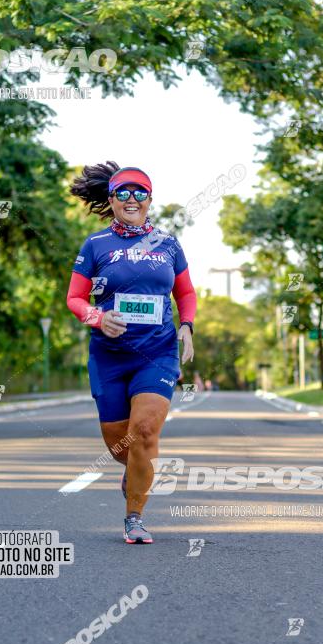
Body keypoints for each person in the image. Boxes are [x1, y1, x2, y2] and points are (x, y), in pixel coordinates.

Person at [67, 162, 197, 544]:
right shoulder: (95, 245)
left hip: (156, 351)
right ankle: (135, 468)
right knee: (118, 444)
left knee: (144, 433)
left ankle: (134, 517)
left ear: (150, 200)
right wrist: (97, 317)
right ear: (111, 200)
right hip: (109, 356)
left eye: (139, 192)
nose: (131, 199)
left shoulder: (168, 244)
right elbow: (74, 298)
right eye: (123, 192)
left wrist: (186, 326)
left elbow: (185, 293)